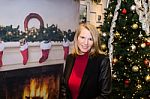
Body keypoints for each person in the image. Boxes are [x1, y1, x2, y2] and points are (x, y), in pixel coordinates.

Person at [59, 23, 112, 99]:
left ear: (95, 41)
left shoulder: (102, 61)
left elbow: (105, 94)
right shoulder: (70, 58)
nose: (85, 43)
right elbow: (64, 87)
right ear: (77, 38)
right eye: (82, 37)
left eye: (90, 39)